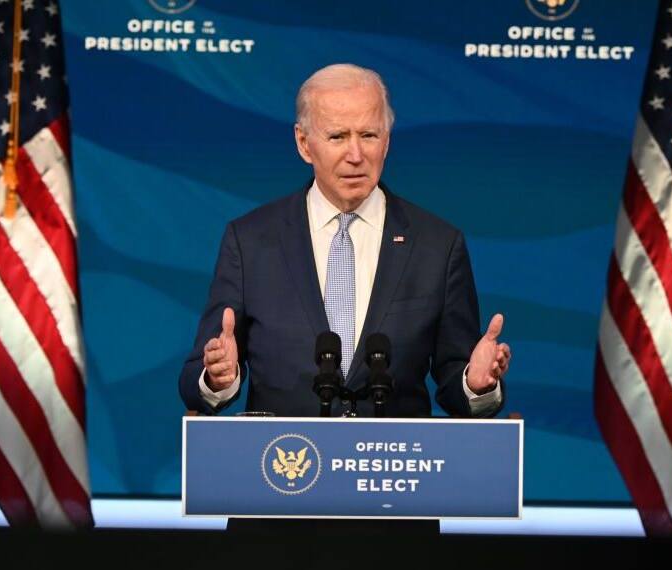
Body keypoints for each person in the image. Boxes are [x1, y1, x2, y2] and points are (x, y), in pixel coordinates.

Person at [179, 64, 511, 421]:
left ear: (387, 141)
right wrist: (216, 378)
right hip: (284, 465)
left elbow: (456, 380)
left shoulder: (438, 245)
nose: (356, 155)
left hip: (393, 467)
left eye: (368, 135)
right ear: (304, 144)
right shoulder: (250, 241)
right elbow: (196, 379)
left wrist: (476, 385)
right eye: (337, 137)